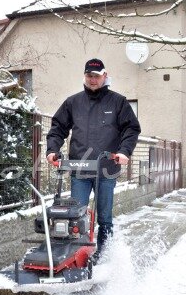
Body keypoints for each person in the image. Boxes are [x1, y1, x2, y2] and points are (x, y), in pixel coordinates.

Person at [46, 58, 141, 261]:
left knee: (104, 217)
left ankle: (104, 255)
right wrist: (52, 150)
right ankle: (76, 255)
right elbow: (57, 128)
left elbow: (131, 128)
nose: (93, 79)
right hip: (79, 169)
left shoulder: (118, 102)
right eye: (89, 75)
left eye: (97, 76)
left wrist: (124, 151)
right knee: (76, 215)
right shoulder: (73, 102)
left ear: (104, 76)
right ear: (85, 76)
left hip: (106, 169)